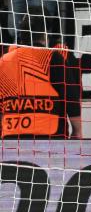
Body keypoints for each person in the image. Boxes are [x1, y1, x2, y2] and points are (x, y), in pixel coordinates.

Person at [0, 8, 82, 139]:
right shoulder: (53, 57)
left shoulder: (4, 60)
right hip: (50, 137)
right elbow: (70, 97)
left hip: (12, 137)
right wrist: (77, 131)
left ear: (21, 36)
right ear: (45, 35)